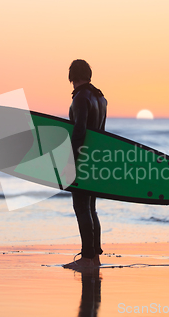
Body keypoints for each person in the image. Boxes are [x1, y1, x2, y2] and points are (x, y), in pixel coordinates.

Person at [63, 59, 107, 270]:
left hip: (81, 159)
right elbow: (101, 134)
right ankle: (95, 256)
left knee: (81, 206)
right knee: (90, 207)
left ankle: (87, 258)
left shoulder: (81, 98)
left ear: (72, 76)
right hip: (94, 158)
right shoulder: (101, 97)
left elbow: (79, 131)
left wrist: (70, 162)